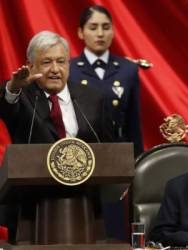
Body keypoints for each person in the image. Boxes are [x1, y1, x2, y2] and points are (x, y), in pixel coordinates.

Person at [0, 30, 114, 242]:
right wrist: (13, 87)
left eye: (61, 61)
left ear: (69, 65)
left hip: (85, 205)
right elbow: (6, 108)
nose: (55, 69)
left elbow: (108, 146)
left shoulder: (92, 97)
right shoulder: (22, 96)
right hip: (31, 208)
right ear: (31, 66)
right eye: (46, 62)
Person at [69, 5, 143, 157]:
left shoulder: (128, 69)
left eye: (106, 27)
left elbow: (133, 123)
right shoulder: (69, 69)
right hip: (80, 152)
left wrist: (137, 160)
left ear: (113, 31)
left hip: (119, 151)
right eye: (93, 27)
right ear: (80, 32)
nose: (100, 34)